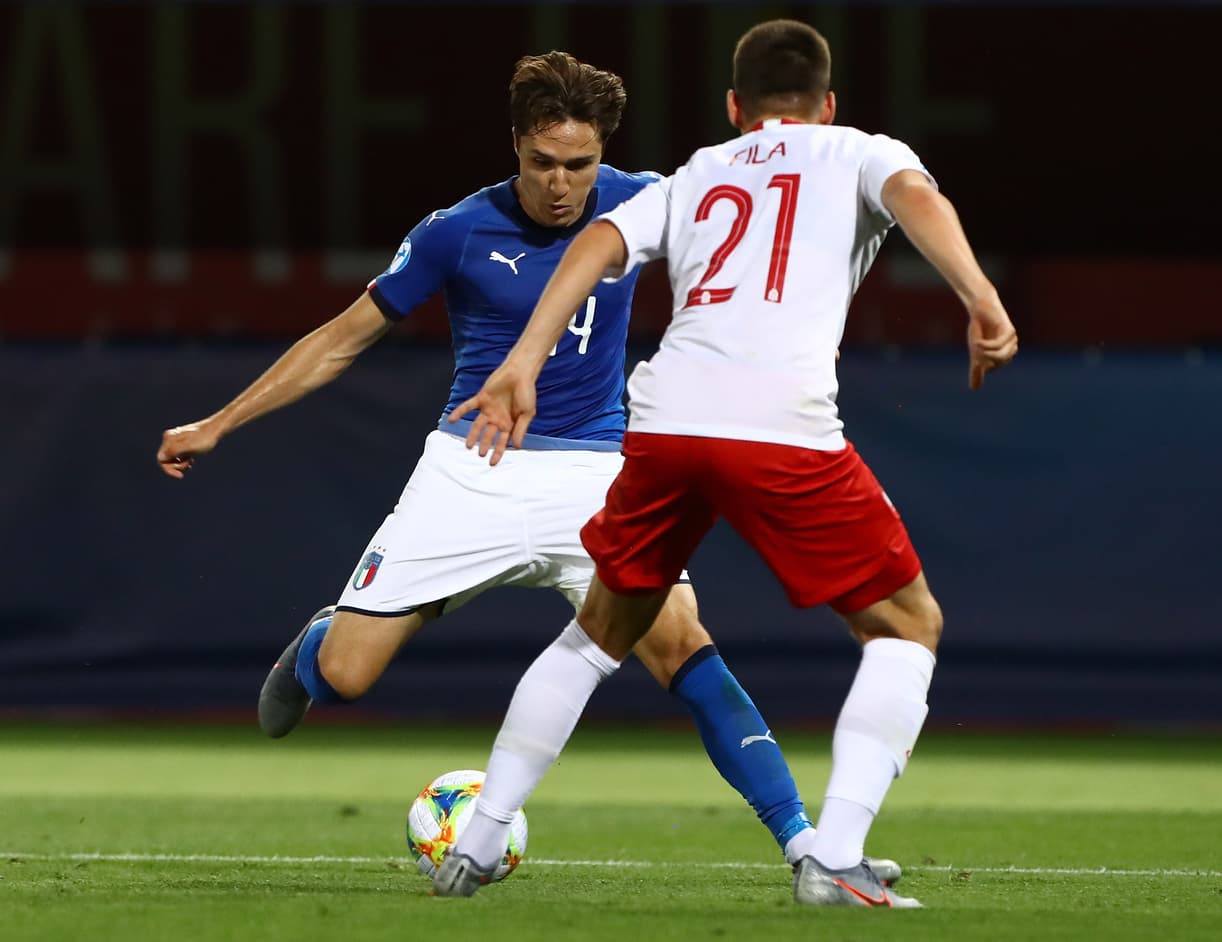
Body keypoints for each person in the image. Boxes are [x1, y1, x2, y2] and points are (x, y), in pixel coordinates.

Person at [153, 50, 903, 882]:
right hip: (473, 467)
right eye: (542, 163)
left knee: (683, 648)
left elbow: (760, 239)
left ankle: (807, 846)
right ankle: (319, 642)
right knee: (347, 675)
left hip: (595, 476)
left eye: (578, 165)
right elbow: (340, 340)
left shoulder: (647, 200)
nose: (559, 183)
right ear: (515, 148)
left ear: (602, 156)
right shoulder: (455, 231)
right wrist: (220, 423)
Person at [433, 20, 1018, 907]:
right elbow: (917, 198)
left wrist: (521, 360)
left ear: (735, 106)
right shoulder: (861, 149)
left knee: (599, 633)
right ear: (827, 103)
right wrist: (980, 297)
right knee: (907, 626)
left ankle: (474, 847)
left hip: (665, 422)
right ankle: (836, 857)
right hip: (779, 424)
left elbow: (595, 246)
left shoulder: (699, 169)